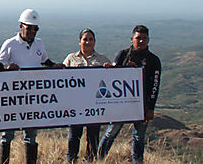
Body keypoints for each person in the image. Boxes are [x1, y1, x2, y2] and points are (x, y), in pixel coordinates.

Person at [0, 9, 62, 164]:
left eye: (35, 28)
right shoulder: (10, 44)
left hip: (32, 96)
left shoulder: (40, 44)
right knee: (7, 135)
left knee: (30, 135)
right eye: (29, 27)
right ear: (21, 26)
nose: (32, 31)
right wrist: (7, 70)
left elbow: (45, 60)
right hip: (12, 96)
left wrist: (55, 66)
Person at [97, 25, 162, 164]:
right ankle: (98, 159)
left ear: (148, 40)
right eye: (138, 38)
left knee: (139, 137)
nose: (141, 41)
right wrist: (110, 69)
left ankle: (137, 161)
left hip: (142, 105)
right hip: (122, 103)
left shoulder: (153, 60)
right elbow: (113, 76)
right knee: (111, 132)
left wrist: (151, 108)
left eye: (144, 38)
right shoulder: (123, 54)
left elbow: (155, 86)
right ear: (132, 39)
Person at [63, 28, 111, 163]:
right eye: (85, 39)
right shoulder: (71, 58)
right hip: (75, 105)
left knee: (93, 137)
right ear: (79, 41)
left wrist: (110, 69)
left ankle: (90, 161)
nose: (88, 42)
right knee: (74, 136)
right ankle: (71, 160)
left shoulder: (102, 59)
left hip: (94, 106)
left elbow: (112, 78)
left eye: (90, 39)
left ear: (94, 41)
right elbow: (60, 78)